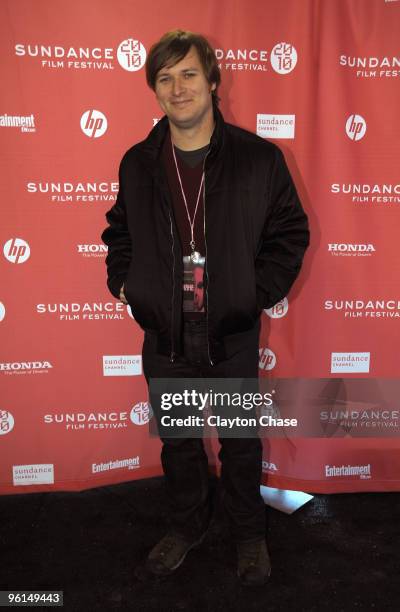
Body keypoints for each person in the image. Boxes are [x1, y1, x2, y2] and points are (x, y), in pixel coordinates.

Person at [101, 29, 310, 587]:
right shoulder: (138, 162)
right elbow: (118, 231)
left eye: (188, 73)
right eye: (165, 78)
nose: (178, 87)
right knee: (180, 443)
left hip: (233, 331)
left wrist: (251, 292)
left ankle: (248, 534)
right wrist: (124, 280)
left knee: (240, 444)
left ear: (213, 81)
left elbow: (290, 233)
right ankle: (187, 524)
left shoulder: (259, 158)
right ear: (155, 91)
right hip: (166, 333)